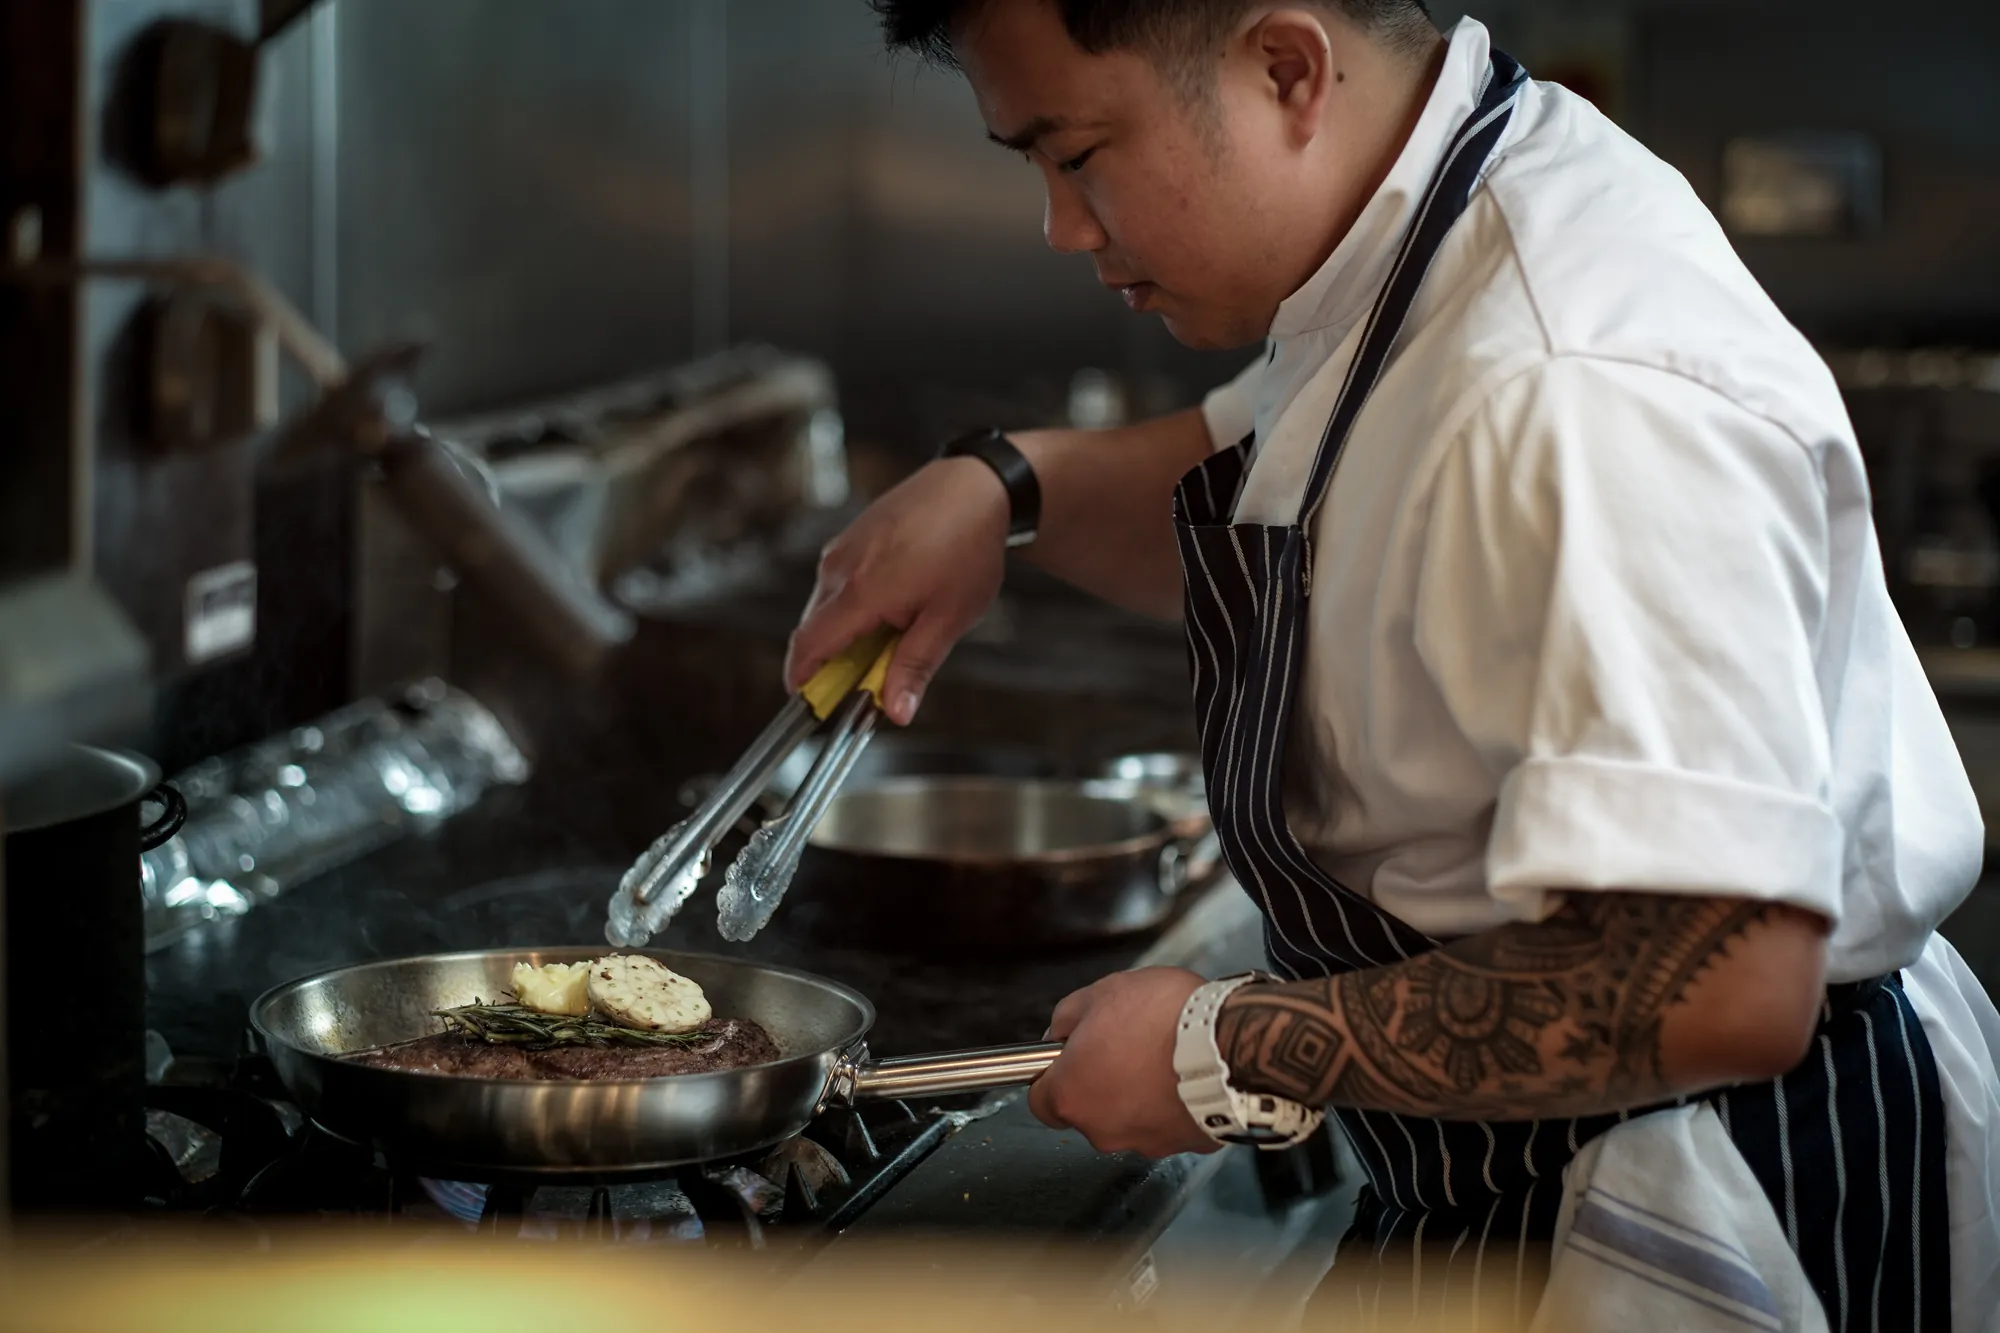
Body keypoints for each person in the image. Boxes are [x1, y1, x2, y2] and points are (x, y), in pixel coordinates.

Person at [786, 1, 2000, 1326]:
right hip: (1510, 1171)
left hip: (1703, 1187)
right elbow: (1290, 495)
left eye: (1076, 155)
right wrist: (1003, 488)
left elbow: (1720, 983)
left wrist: (1222, 1046)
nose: (1062, 227)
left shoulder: (1571, 381)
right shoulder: (1419, 224)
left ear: (1286, 68)